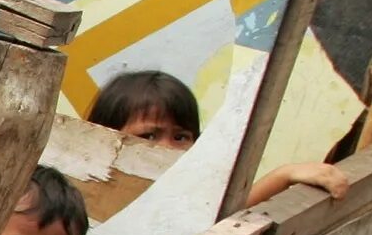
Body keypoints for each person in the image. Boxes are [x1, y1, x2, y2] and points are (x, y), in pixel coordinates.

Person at [89, 69, 349, 206]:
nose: (167, 148)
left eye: (180, 137)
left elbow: (220, 220)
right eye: (149, 135)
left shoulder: (187, 190)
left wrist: (285, 175)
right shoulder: (89, 191)